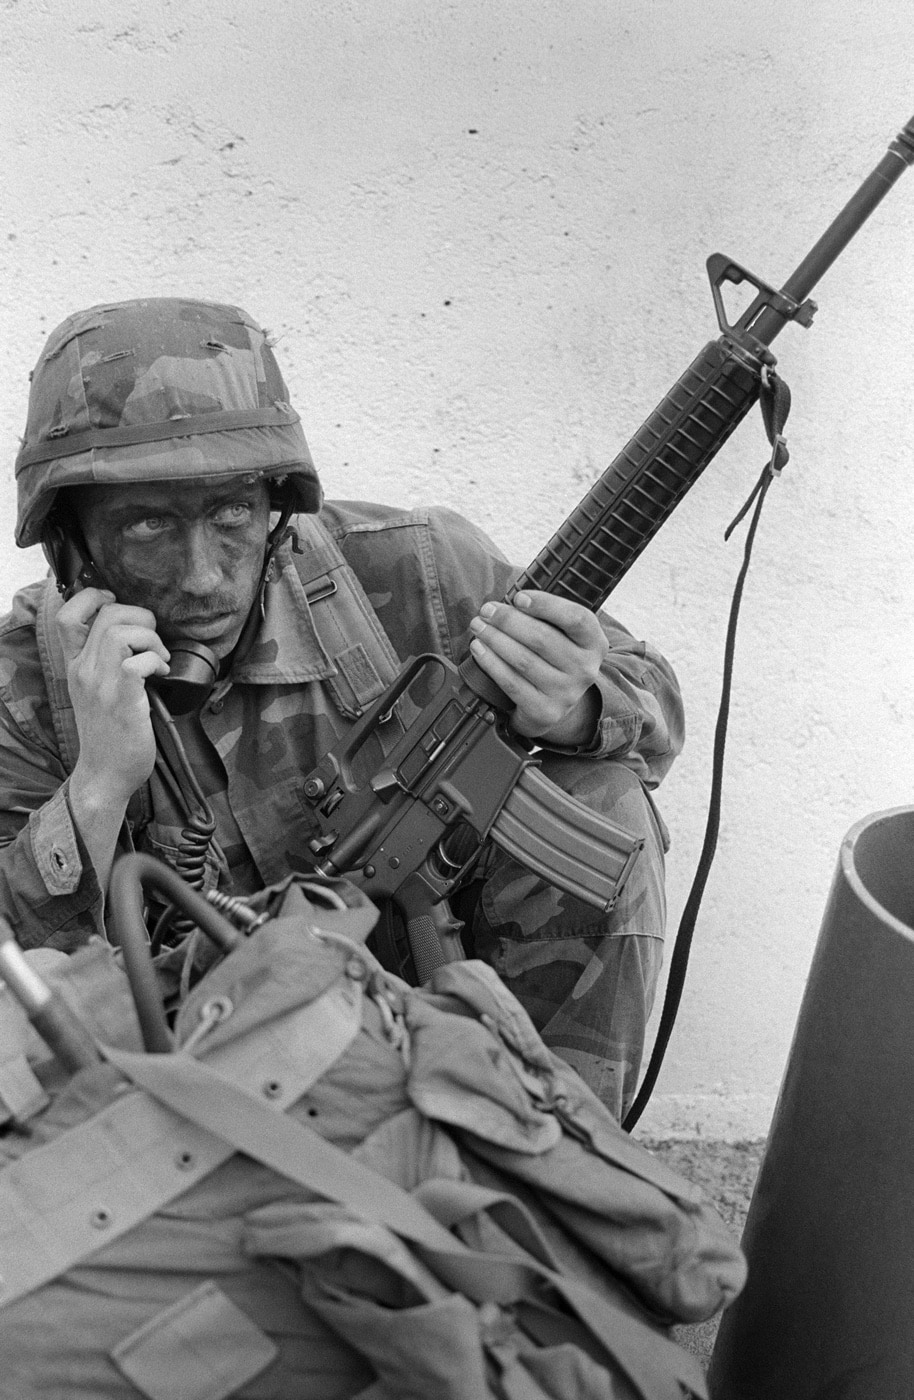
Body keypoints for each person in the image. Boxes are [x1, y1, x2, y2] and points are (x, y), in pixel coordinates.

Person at [0, 296, 683, 1119]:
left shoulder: (416, 569)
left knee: (605, 804)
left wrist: (579, 707)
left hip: (452, 1008)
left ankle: (562, 1175)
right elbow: (19, 985)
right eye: (146, 526)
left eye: (232, 515)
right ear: (69, 543)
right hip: (203, 1082)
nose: (206, 575)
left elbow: (655, 698)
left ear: (276, 506)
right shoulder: (28, 686)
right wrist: (100, 786)